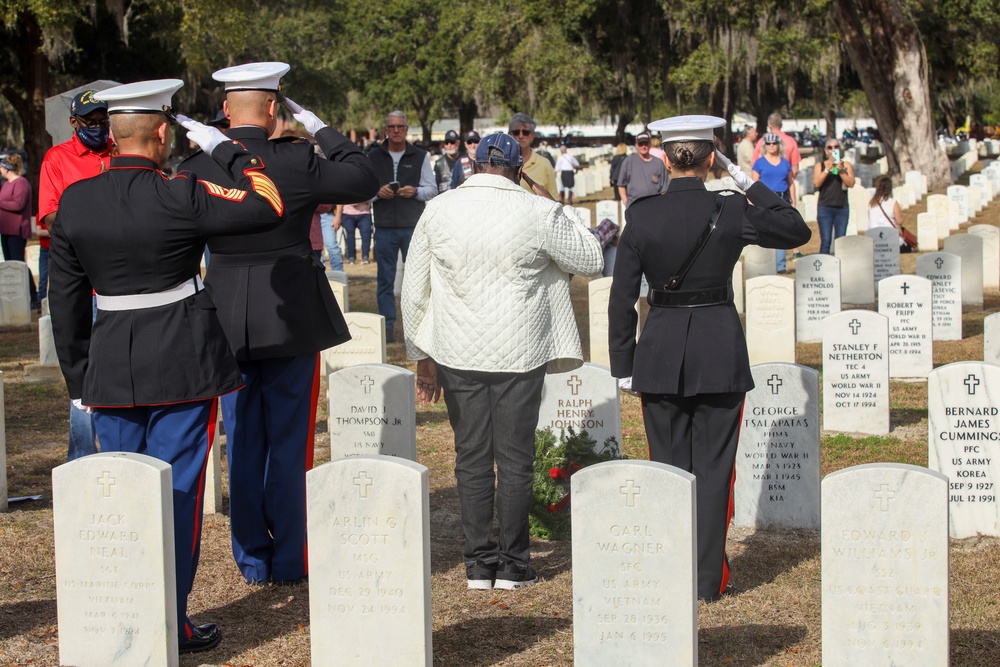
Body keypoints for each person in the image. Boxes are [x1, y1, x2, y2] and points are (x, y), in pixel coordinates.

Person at [48, 79, 286, 654]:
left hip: (110, 369)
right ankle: (168, 620)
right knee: (176, 493)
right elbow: (268, 204)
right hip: (182, 363)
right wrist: (228, 147)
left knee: (126, 497)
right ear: (162, 133)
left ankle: (125, 617)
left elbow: (65, 300)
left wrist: (82, 377)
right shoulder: (182, 192)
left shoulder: (75, 201)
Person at [177, 62, 380, 588]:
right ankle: (291, 555)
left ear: (225, 110)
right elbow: (364, 175)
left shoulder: (197, 166)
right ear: (274, 109)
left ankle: (252, 558)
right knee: (290, 440)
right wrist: (319, 128)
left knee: (242, 438)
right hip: (290, 311)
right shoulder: (295, 160)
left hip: (224, 312)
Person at [608, 115, 810, 602]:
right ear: (711, 153)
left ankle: (674, 571)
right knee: (715, 472)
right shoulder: (732, 208)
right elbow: (794, 229)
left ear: (662, 154)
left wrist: (623, 364)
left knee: (669, 469)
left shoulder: (642, 214)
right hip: (718, 350)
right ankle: (706, 580)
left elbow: (621, 298)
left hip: (658, 353)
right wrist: (743, 178)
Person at [402, 132, 603, 590]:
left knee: (471, 456)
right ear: (518, 170)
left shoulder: (439, 209)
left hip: (457, 350)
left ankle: (477, 564)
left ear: (472, 164)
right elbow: (591, 258)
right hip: (519, 350)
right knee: (515, 459)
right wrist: (556, 204)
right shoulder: (536, 210)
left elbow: (414, 291)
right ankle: (513, 565)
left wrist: (422, 357)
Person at [37, 89, 113, 462]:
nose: (98, 128)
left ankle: (117, 450)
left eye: (103, 121)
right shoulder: (57, 159)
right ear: (74, 123)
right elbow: (50, 217)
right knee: (81, 375)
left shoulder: (118, 153)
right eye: (90, 122)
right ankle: (82, 456)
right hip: (79, 282)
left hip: (118, 282)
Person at [368, 110, 437, 342]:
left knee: (418, 278)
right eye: (392, 127)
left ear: (407, 130)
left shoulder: (420, 155)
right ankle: (387, 328)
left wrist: (416, 191)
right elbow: (362, 190)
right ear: (385, 130)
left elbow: (432, 189)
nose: (396, 131)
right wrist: (377, 192)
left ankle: (418, 326)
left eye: (400, 127)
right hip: (385, 226)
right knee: (385, 279)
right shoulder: (373, 156)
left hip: (413, 226)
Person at [752, 133, 797, 272]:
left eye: (774, 143)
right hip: (765, 200)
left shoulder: (785, 163)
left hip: (782, 199)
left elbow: (791, 183)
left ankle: (781, 265)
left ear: (778, 145)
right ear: (765, 146)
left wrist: (794, 201)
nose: (771, 146)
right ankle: (766, 264)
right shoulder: (759, 163)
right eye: (769, 143)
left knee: (781, 232)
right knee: (767, 231)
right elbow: (754, 184)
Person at [0, 153, 38, 307]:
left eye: (1, 166)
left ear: (7, 168)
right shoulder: (5, 184)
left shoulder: (21, 183)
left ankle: (32, 296)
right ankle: (16, 296)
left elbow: (18, 204)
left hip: (17, 231)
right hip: (5, 230)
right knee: (10, 264)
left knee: (19, 264)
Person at [813, 137, 856, 254]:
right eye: (830, 147)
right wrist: (827, 169)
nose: (833, 150)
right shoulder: (820, 166)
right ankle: (823, 268)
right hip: (825, 207)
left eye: (836, 147)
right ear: (826, 151)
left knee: (840, 241)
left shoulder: (846, 165)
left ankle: (840, 267)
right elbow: (817, 183)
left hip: (842, 207)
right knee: (826, 240)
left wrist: (841, 171)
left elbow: (851, 183)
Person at [508, 113, 558, 196]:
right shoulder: (500, 164)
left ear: (532, 135)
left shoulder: (544, 164)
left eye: (525, 132)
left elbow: (554, 200)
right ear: (510, 134)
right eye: (516, 132)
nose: (521, 136)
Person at [617, 131, 669, 207]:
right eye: (641, 144)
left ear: (650, 144)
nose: (643, 147)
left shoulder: (659, 163)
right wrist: (626, 202)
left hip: (654, 206)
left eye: (646, 144)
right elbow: (621, 185)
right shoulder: (628, 162)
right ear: (636, 145)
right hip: (634, 206)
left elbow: (665, 188)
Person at [751, 112, 801, 178]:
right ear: (781, 125)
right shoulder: (791, 141)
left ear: (769, 125)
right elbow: (795, 169)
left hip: (765, 184)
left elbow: (754, 165)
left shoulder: (762, 141)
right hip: (784, 184)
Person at [868, 176, 909, 251]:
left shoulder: (871, 203)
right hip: (889, 236)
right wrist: (900, 211)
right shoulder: (893, 202)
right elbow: (899, 221)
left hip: (874, 237)